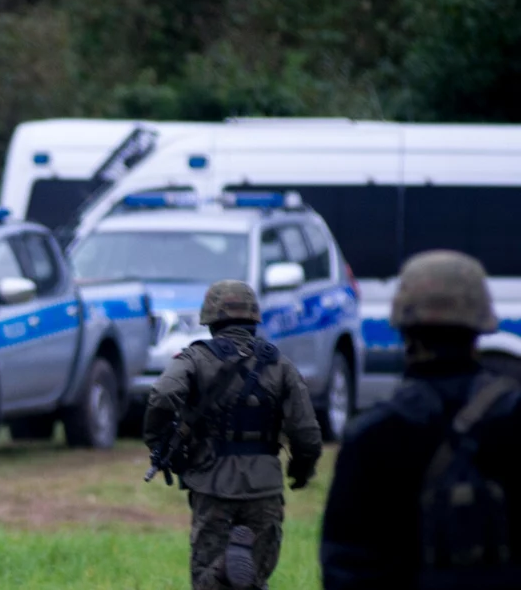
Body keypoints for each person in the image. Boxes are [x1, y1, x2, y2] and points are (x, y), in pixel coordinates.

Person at [320, 250, 521, 589]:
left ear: (404, 328)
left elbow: (345, 567)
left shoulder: (373, 436)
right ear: (480, 325)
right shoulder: (513, 420)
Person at [144, 280, 322, 590]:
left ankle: (225, 568)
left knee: (206, 580)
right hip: (264, 485)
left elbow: (162, 395)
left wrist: (157, 439)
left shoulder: (195, 358)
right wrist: (301, 469)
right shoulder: (280, 364)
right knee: (255, 577)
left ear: (210, 319)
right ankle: (235, 568)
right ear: (254, 318)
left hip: (212, 484)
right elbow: (306, 431)